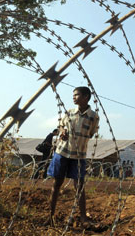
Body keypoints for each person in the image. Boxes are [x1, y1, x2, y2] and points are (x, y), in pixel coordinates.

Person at [46, 87, 99, 228]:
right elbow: (61, 126)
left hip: (79, 155)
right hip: (62, 152)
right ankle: (50, 217)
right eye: (73, 95)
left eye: (77, 95)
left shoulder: (93, 116)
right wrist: (62, 131)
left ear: (86, 97)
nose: (74, 97)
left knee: (79, 186)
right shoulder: (69, 112)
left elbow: (92, 133)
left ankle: (83, 218)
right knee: (57, 184)